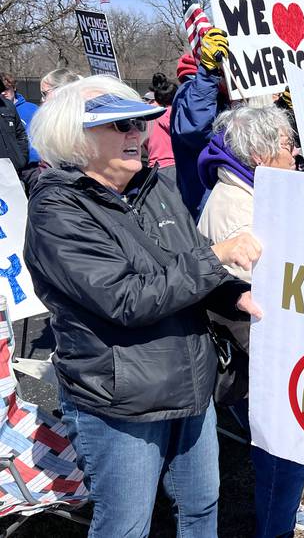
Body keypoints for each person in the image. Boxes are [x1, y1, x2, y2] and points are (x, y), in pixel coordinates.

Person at [25, 75, 262, 536]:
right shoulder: (57, 210)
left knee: (201, 508)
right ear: (75, 136)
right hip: (121, 402)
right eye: (120, 125)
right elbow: (125, 298)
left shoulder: (156, 186)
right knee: (125, 527)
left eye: (139, 122)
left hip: (191, 383)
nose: (137, 133)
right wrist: (216, 259)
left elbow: (187, 263)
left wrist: (233, 293)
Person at [197, 104, 304, 537]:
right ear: (260, 154)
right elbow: (248, 299)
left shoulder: (255, 193)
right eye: (289, 147)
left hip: (268, 351)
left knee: (287, 453)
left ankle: (285, 510)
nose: (295, 155)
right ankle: (277, 525)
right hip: (254, 357)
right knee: (280, 453)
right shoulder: (235, 208)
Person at [171, 27, 231, 220]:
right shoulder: (191, 91)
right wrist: (208, 74)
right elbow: (194, 127)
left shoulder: (229, 97)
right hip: (207, 203)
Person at [143, 72, 178, 177]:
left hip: (154, 168)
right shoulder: (178, 115)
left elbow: (143, 143)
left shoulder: (146, 116)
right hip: (177, 165)